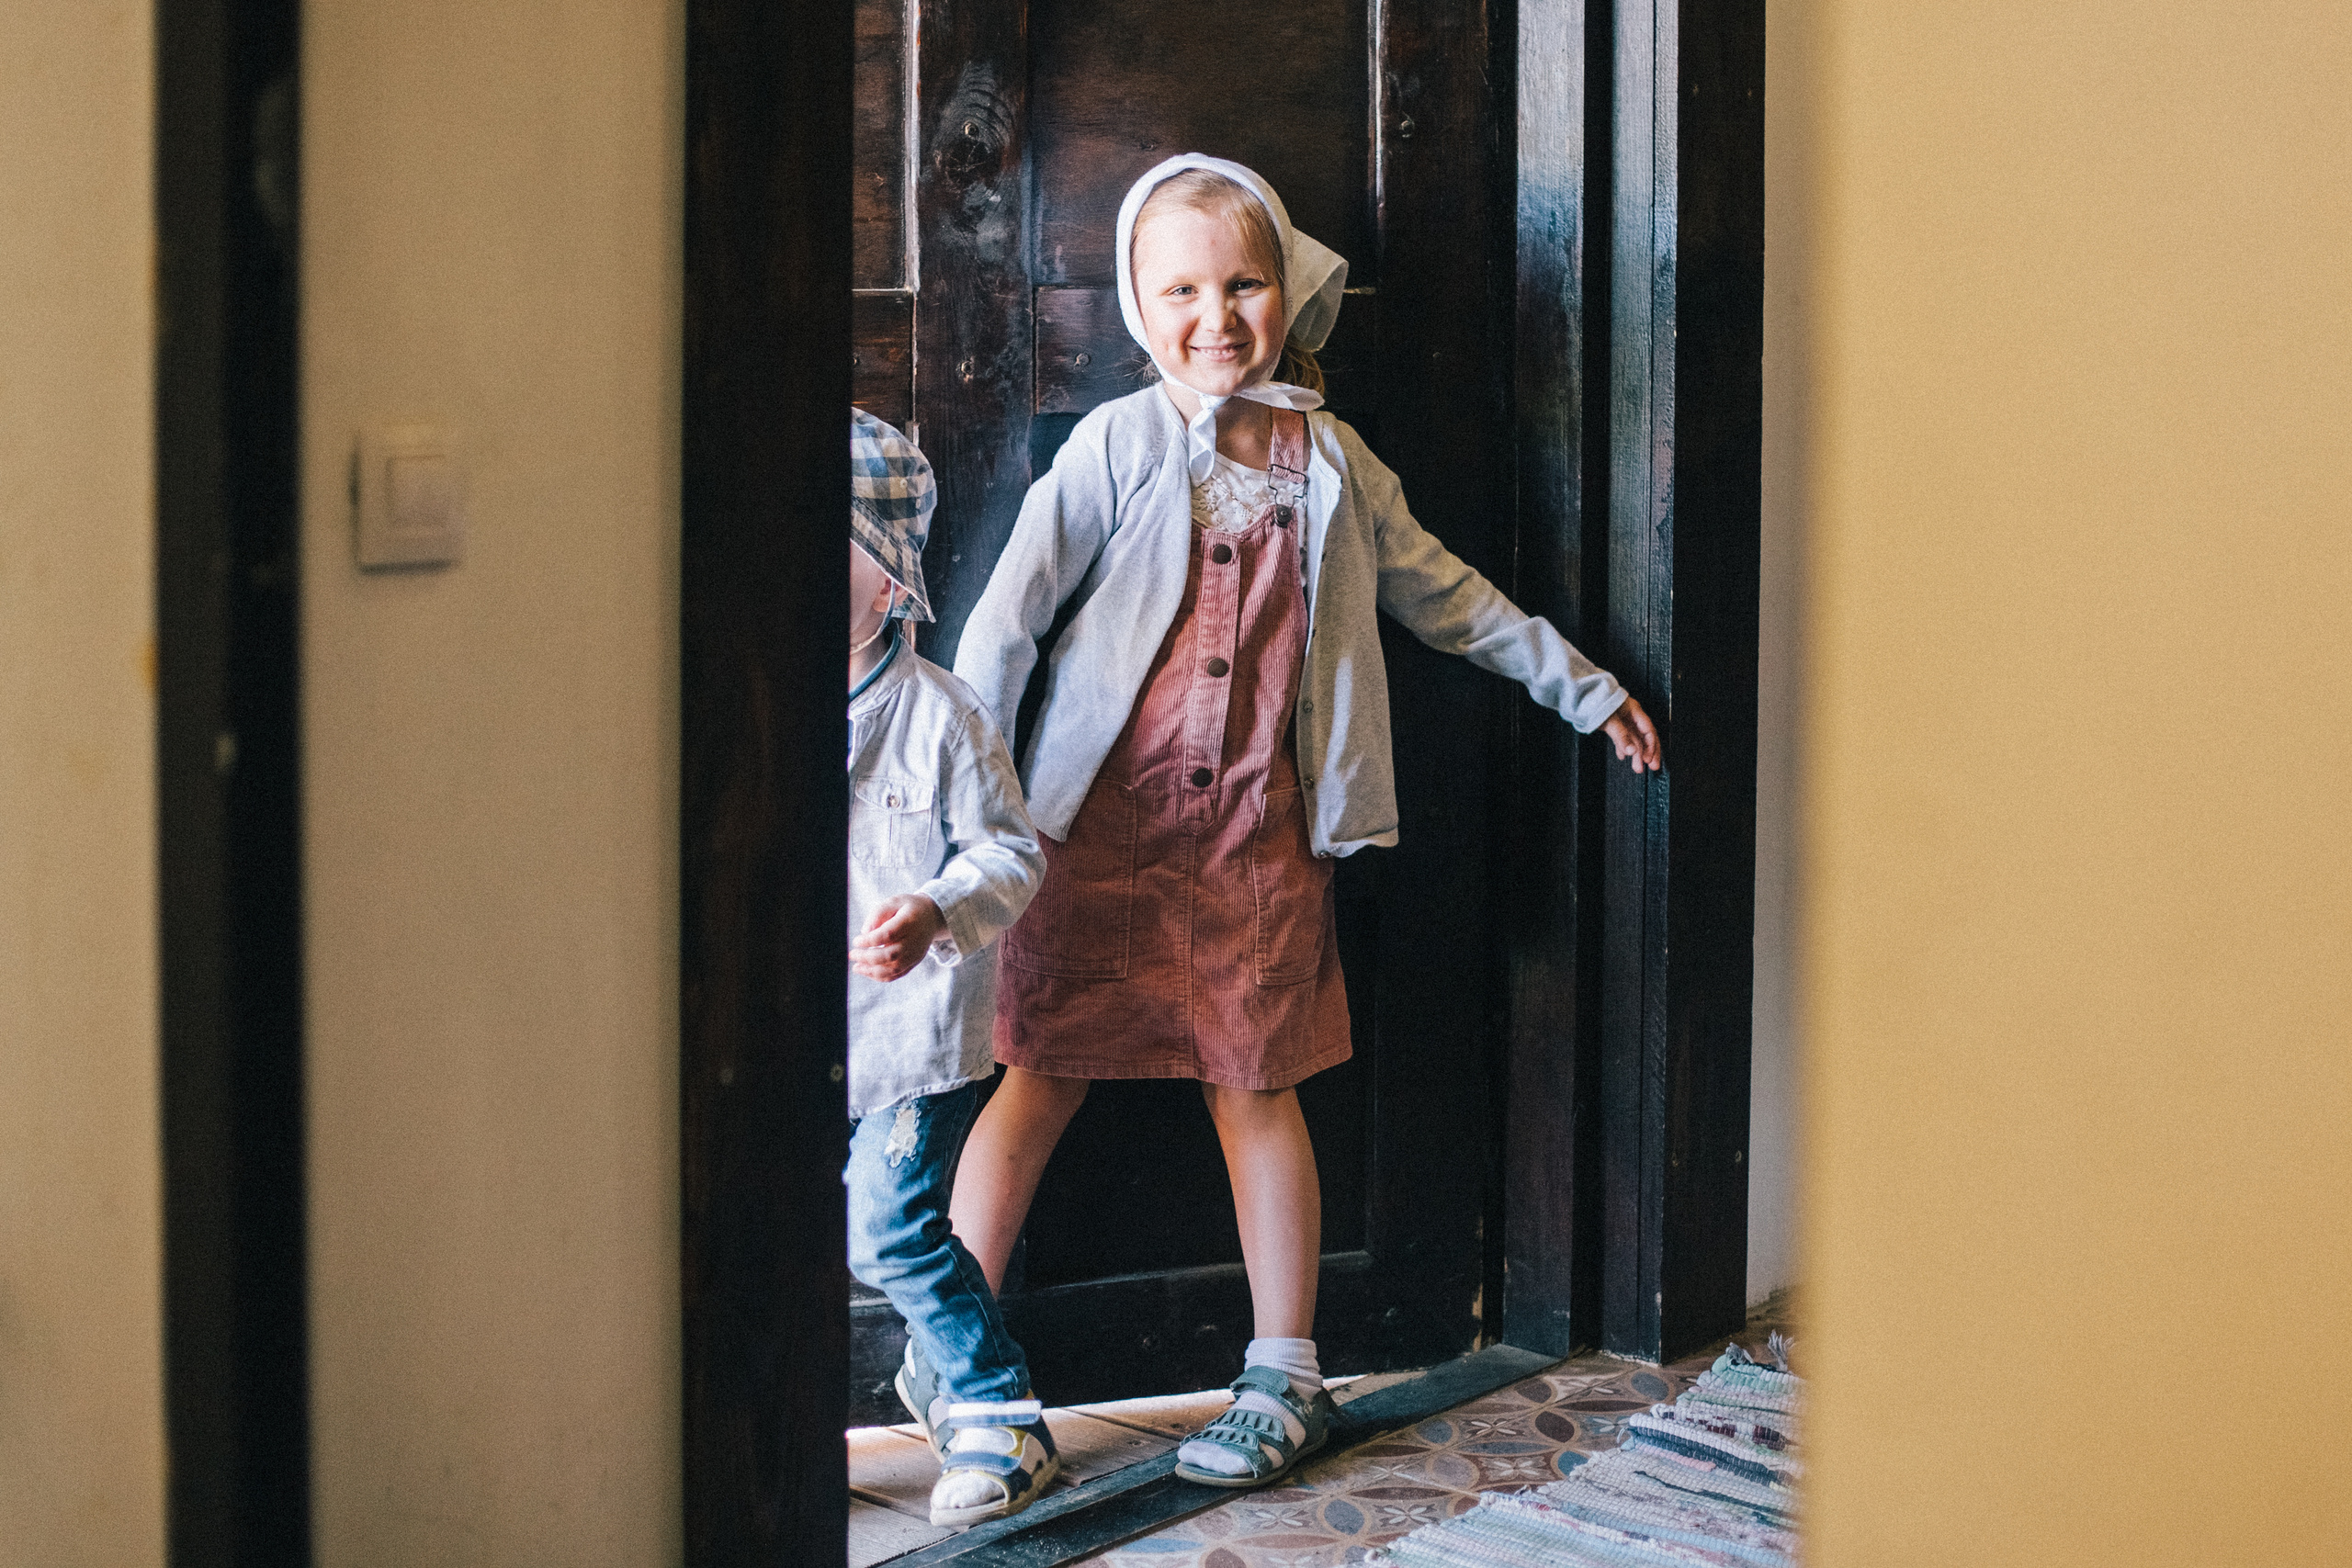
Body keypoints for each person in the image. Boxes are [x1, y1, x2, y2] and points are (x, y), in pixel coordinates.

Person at [948, 157, 1662, 1489]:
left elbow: (1446, 595)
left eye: (1243, 284)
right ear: (1137, 306)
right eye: (1181, 291)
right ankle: (957, 1361)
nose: (1215, 317)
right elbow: (1005, 623)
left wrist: (1583, 685)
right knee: (1036, 1068)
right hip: (1088, 837)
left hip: (1258, 846)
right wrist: (964, 805)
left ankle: (1286, 1371)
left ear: (1286, 288)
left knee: (1256, 1083)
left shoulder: (1328, 462)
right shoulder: (1115, 447)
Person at [842, 407, 1059, 1526]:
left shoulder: (941, 717)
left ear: (889, 583)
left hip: (911, 1040)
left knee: (888, 1223)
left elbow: (1010, 854)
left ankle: (997, 1412)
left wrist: (935, 909)